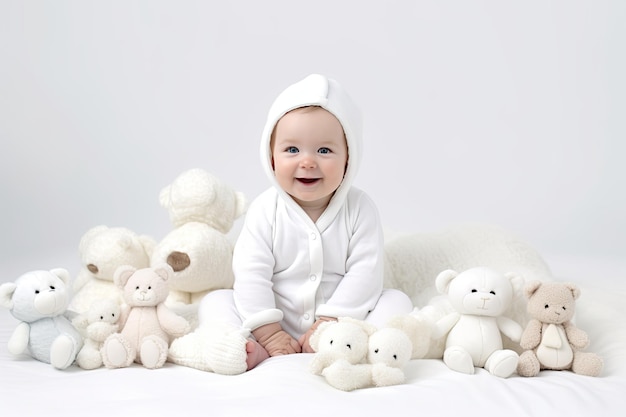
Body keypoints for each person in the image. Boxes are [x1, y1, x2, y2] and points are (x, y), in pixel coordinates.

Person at [169, 74, 414, 374]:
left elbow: (365, 274)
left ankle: (350, 350)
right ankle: (247, 348)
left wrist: (329, 324)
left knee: (396, 302)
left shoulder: (361, 209)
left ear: (349, 158)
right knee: (217, 302)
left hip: (341, 326)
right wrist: (269, 332)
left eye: (324, 150)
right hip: (271, 321)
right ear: (271, 157)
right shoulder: (264, 210)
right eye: (292, 150)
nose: (308, 162)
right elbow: (251, 275)